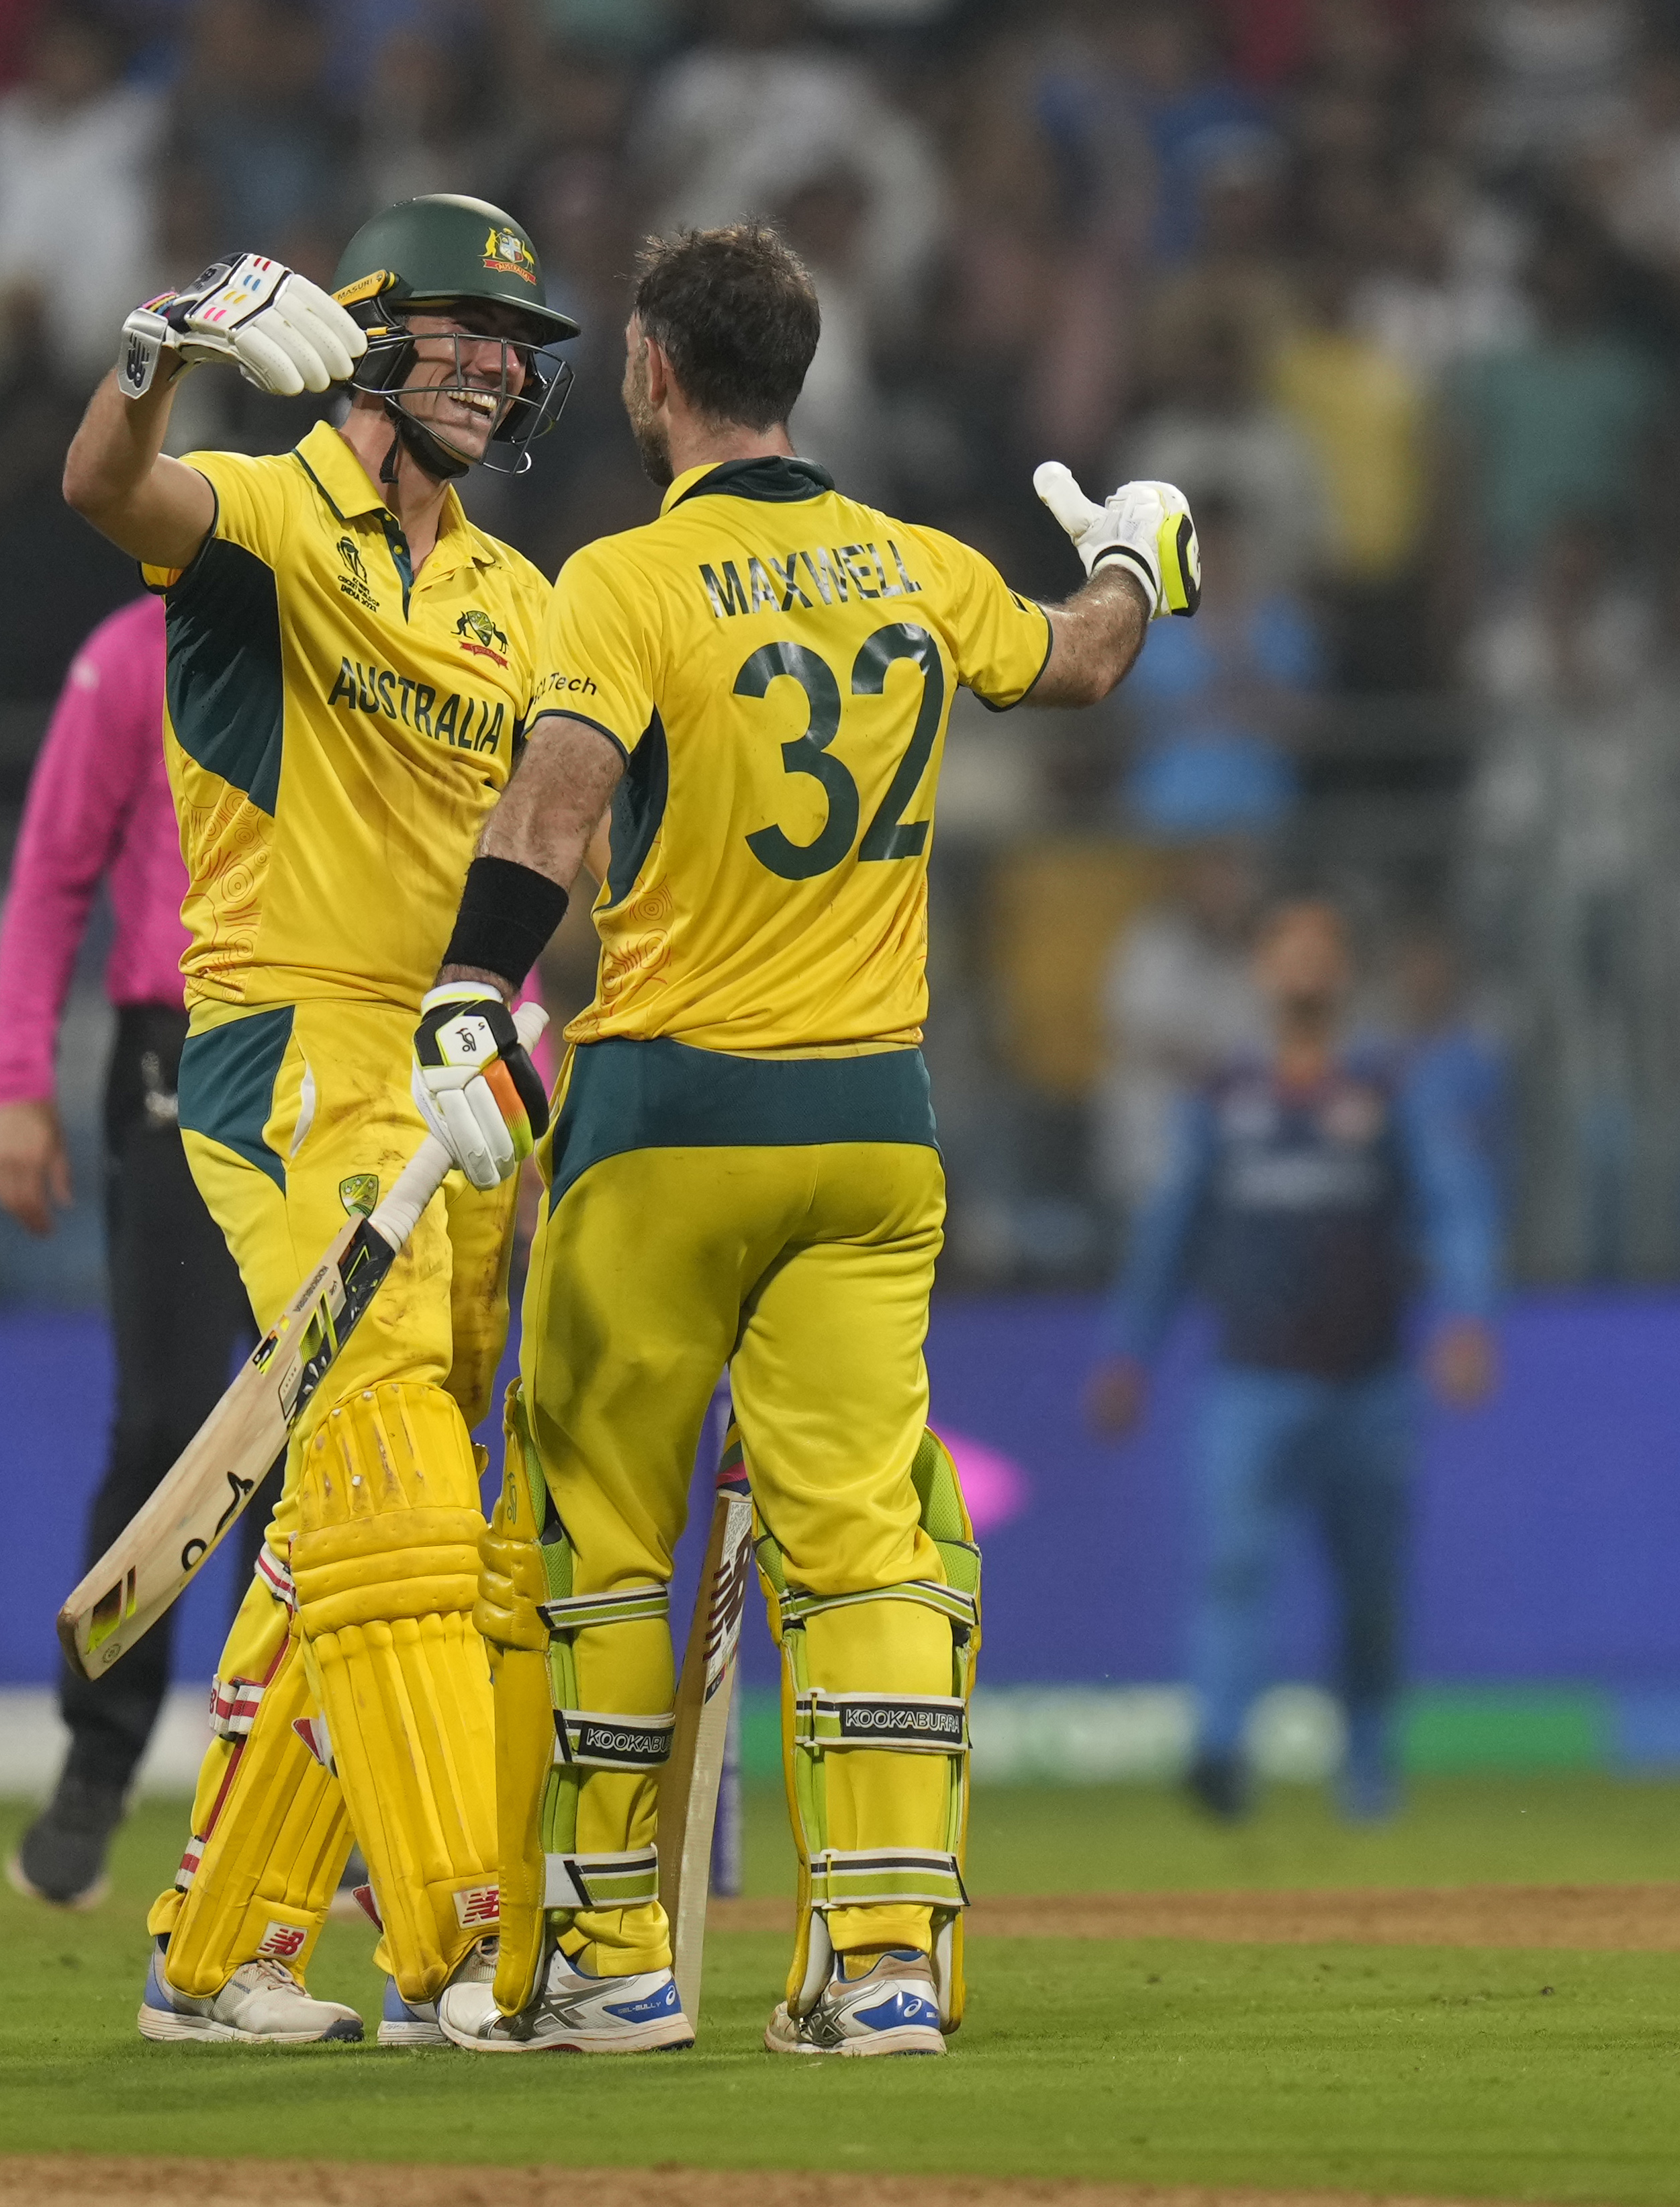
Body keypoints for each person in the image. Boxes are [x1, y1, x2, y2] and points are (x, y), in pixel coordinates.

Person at [399, 224, 1190, 2057]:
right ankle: (886, 1960)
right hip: (873, 1130)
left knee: (601, 1532)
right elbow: (1077, 663)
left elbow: (557, 796)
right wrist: (1138, 560)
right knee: (865, 1537)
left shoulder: (624, 577)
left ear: (659, 374)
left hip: (670, 1112)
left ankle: (609, 1962)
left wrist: (466, 988)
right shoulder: (914, 565)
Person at [59, 192, 576, 2046]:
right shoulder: (269, 511)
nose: (500, 368)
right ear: (370, 334)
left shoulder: (523, 601)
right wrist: (159, 346)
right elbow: (109, 490)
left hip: (455, 1079)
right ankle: (456, 1932)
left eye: (517, 348)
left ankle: (224, 1953)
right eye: (463, 331)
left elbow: (549, 845)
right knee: (394, 1476)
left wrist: (534, 1031)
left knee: (355, 1526)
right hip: (282, 1049)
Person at [1084, 898, 1501, 1826]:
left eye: (1323, 952)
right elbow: (1169, 1236)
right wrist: (1127, 1353)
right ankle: (1221, 1752)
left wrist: (1466, 1318)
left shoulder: (1391, 1092)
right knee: (1232, 1565)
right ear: (1264, 972)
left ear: (1344, 973)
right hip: (1250, 1380)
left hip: (1369, 1384)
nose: (1306, 968)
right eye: (1289, 951)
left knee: (1367, 1584)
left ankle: (1366, 1768)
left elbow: (1455, 1207)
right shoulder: (1225, 1102)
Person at [0, 594, 261, 1911]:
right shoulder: (132, 654)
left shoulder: (371, 633)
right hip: (173, 1059)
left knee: (321, 1445)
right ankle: (98, 1762)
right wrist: (13, 1081)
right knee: (164, 1427)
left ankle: (313, 1780)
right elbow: (53, 872)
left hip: (336, 1048)